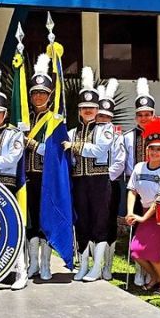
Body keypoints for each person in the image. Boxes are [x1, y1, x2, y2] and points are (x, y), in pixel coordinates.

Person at [65, 66, 116, 282]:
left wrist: (74, 146)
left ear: (97, 110)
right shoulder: (72, 132)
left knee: (100, 223)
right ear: (79, 110)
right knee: (82, 223)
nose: (88, 111)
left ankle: (98, 267)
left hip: (99, 181)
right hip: (79, 181)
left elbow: (99, 150)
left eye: (92, 108)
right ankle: (84, 264)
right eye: (84, 108)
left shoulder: (105, 128)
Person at [0, 66, 29, 290]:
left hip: (9, 186)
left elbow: (11, 160)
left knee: (13, 227)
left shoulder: (14, 134)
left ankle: (21, 270)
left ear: (5, 114)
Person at [126, 118, 160, 295]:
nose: (155, 152)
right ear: (147, 150)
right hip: (146, 213)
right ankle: (154, 277)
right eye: (152, 148)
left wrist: (142, 218)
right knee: (136, 252)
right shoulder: (139, 167)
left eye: (159, 149)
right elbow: (132, 190)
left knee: (153, 253)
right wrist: (131, 212)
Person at [22, 54, 56, 280]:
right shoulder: (24, 118)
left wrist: (33, 144)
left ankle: (46, 264)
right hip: (27, 176)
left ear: (50, 95)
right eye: (35, 93)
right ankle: (32, 263)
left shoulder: (55, 120)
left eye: (42, 93)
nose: (38, 96)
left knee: (46, 221)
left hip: (46, 177)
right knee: (31, 220)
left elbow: (54, 152)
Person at [122, 77, 157, 287]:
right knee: (136, 229)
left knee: (154, 231)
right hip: (136, 190)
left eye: (147, 114)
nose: (144, 118)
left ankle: (153, 270)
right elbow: (124, 164)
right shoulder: (127, 137)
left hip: (156, 191)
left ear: (153, 114)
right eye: (140, 115)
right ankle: (139, 270)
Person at [95, 80, 126, 280]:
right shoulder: (88, 132)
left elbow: (120, 161)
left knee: (109, 223)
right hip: (90, 183)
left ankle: (108, 265)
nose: (103, 119)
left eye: (106, 116)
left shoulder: (116, 135)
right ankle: (93, 262)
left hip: (109, 183)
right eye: (100, 115)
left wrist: (105, 178)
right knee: (93, 222)